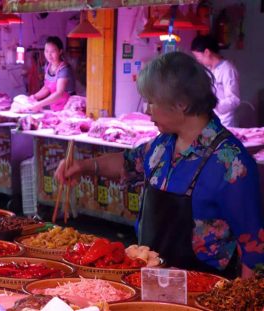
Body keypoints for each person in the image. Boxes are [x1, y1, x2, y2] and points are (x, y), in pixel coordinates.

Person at [55, 52, 263, 278]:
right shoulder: (162, 145)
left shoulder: (232, 163)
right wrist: (82, 166)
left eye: (152, 102)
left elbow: (254, 249)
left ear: (181, 104)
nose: (146, 110)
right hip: (147, 278)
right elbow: (126, 163)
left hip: (202, 293)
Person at [191, 35, 240, 127]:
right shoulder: (207, 70)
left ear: (207, 52)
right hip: (210, 121)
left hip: (225, 122)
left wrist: (214, 104)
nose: (198, 60)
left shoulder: (227, 69)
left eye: (198, 57)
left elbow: (234, 99)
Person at [21, 36, 76, 112]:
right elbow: (47, 88)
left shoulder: (64, 69)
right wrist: (34, 97)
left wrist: (39, 104)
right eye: (46, 51)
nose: (49, 55)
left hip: (69, 108)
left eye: (52, 52)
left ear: (60, 51)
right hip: (56, 107)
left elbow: (59, 93)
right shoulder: (48, 66)